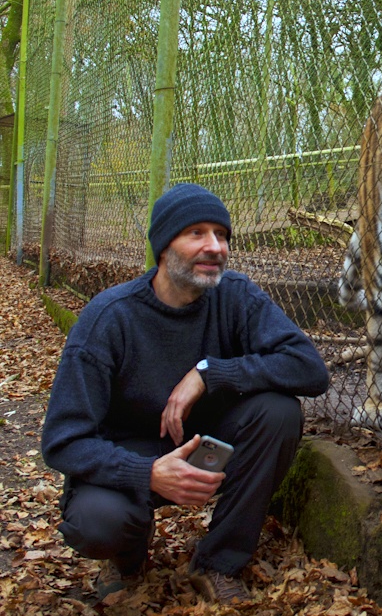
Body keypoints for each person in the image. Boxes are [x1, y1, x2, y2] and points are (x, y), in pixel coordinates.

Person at [41, 183, 331, 604]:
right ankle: (127, 557)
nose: (215, 246)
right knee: (97, 524)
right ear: (163, 247)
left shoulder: (236, 296)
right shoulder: (108, 318)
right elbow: (64, 441)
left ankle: (218, 562)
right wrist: (148, 473)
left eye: (222, 234)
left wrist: (209, 372)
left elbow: (309, 369)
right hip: (131, 456)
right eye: (196, 233)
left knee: (278, 410)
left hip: (207, 447)